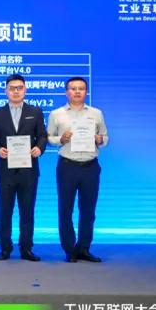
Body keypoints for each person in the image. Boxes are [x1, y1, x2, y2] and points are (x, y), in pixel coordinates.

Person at [0, 74, 47, 262]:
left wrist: (39, 148)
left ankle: (26, 249)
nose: (16, 91)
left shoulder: (35, 111)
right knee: (5, 211)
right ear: (6, 91)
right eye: (12, 88)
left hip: (29, 170)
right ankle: (5, 248)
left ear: (25, 90)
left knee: (27, 211)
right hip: (5, 170)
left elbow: (42, 136)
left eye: (19, 88)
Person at [47, 77, 108, 263]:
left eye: (81, 88)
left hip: (90, 166)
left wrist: (100, 140)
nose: (77, 91)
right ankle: (69, 249)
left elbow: (105, 137)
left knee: (88, 210)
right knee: (65, 209)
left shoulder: (96, 113)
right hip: (67, 166)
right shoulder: (57, 114)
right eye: (73, 88)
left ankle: (84, 248)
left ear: (86, 91)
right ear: (66, 92)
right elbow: (49, 138)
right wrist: (61, 139)